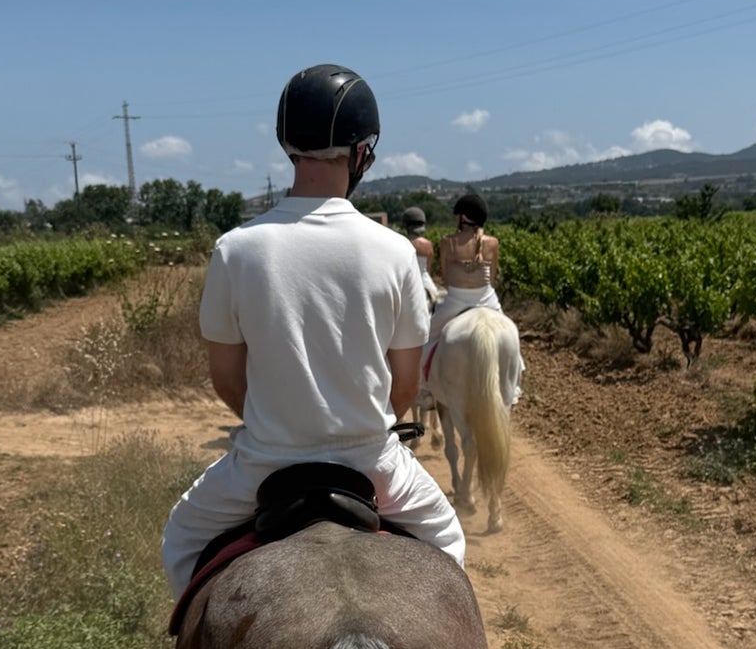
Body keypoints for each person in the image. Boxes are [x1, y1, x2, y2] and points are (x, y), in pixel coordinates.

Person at [161, 64, 466, 602]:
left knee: (181, 540)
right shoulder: (394, 252)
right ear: (361, 152)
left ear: (287, 143)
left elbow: (229, 382)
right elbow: (403, 387)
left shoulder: (236, 249)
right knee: (448, 545)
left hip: (264, 465)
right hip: (374, 466)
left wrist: (288, 424)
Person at [427, 190, 522, 406]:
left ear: (462, 217)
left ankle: (424, 390)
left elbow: (445, 276)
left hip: (456, 301)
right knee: (512, 339)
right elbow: (494, 275)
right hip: (487, 299)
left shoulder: (447, 242)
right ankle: (514, 386)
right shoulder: (493, 243)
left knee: (426, 340)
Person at [401, 205, 443, 307]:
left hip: (405, 283)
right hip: (424, 283)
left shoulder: (401, 242)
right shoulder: (428, 245)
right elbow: (428, 270)